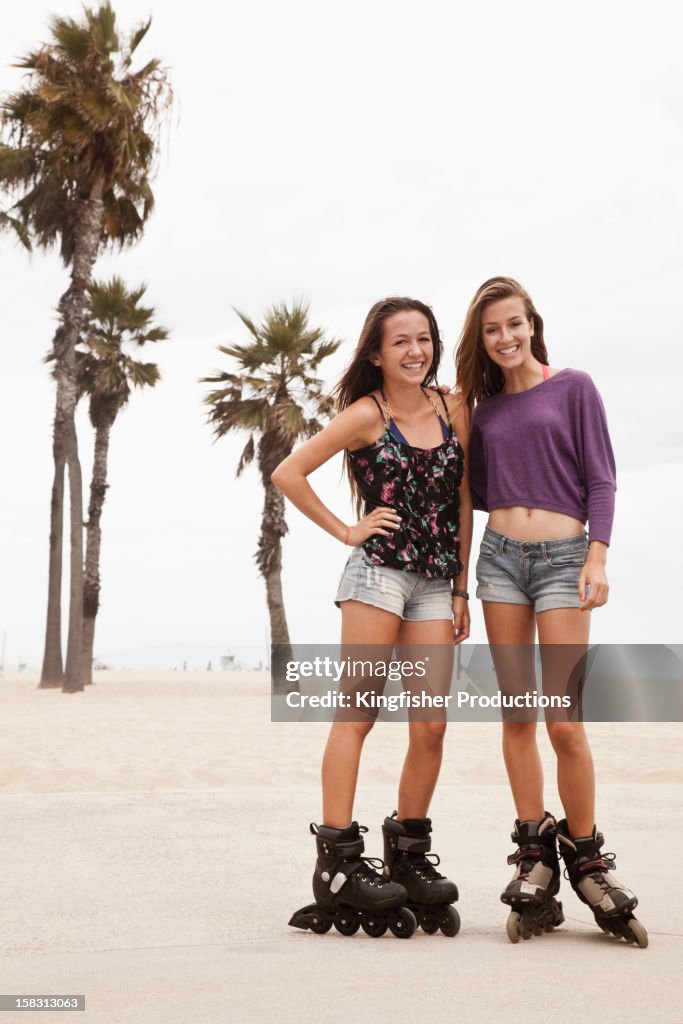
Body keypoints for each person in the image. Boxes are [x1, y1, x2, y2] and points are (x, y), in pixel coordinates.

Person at [455, 275, 647, 947]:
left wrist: (596, 558)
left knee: (564, 723)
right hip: (499, 563)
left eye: (514, 323)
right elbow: (465, 494)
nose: (505, 337)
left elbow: (601, 477)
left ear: (531, 324)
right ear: (480, 340)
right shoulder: (479, 411)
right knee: (516, 716)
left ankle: (586, 854)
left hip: (565, 560)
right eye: (491, 329)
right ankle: (534, 853)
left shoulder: (574, 387)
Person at [273, 297, 472, 938]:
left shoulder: (452, 406)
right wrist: (346, 530)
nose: (416, 351)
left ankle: (408, 853)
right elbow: (288, 472)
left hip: (436, 583)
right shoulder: (365, 415)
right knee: (357, 714)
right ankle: (336, 860)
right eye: (401, 342)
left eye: (425, 339)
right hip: (377, 576)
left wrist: (463, 585)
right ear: (376, 355)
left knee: (432, 725)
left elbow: (465, 499)